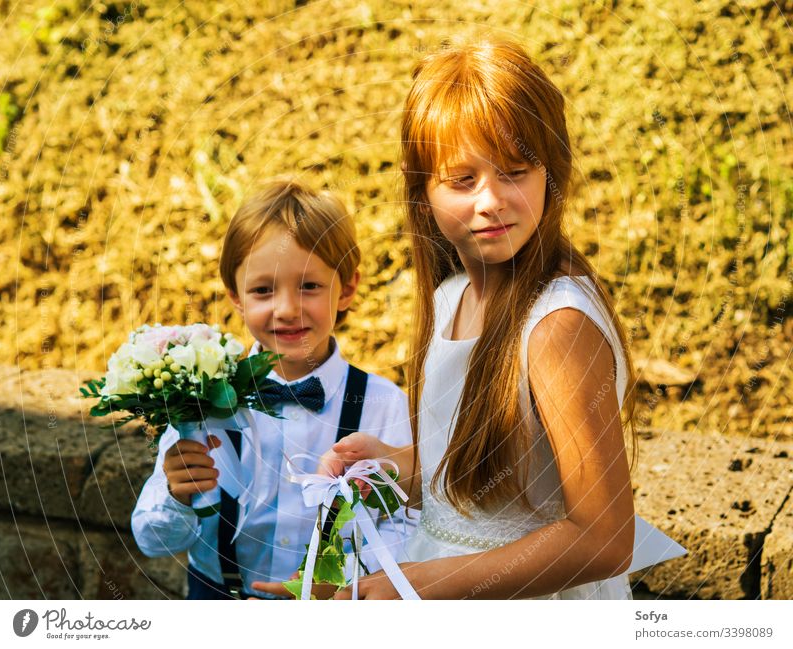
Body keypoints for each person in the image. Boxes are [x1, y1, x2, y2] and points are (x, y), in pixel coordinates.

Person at [297, 38, 641, 599]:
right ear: (422, 188)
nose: (491, 201)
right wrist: (392, 468)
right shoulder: (452, 299)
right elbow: (480, 486)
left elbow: (603, 538)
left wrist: (418, 588)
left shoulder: (557, 327)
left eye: (515, 172)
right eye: (462, 180)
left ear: (550, 174)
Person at [131, 179, 417, 599]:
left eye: (309, 286)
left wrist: (342, 584)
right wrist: (176, 494)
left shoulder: (385, 406)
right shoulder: (201, 403)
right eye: (263, 290)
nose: (286, 308)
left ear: (348, 289)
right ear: (236, 297)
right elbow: (154, 541)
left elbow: (406, 530)